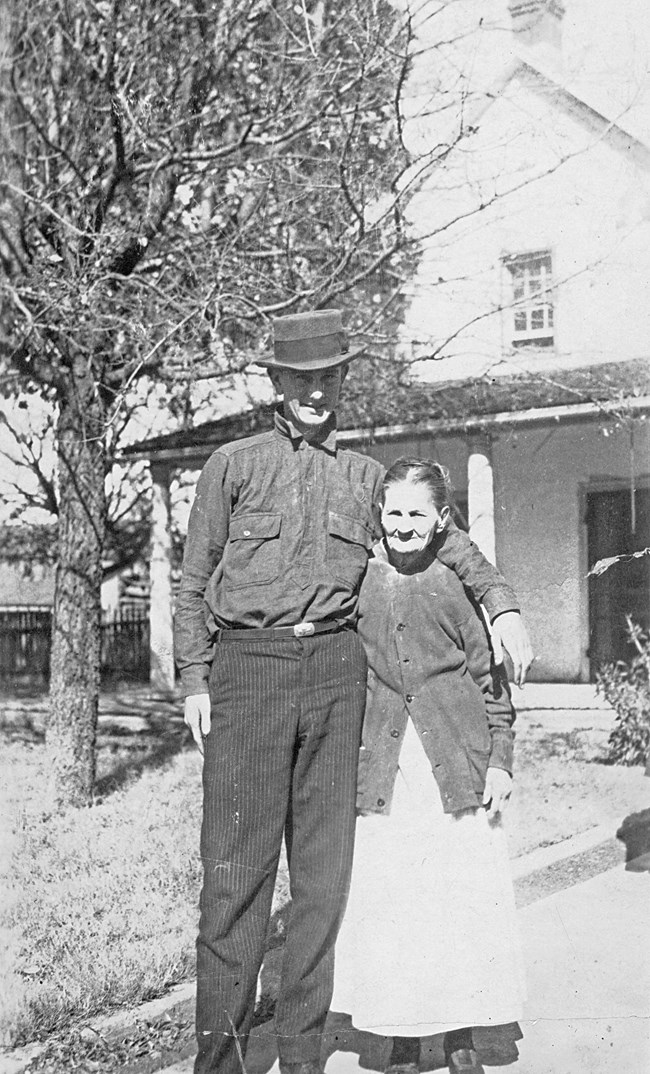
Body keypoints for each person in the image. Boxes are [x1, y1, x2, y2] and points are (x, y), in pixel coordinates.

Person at [174, 310, 532, 1074]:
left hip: (339, 677)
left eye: (328, 376)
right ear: (277, 382)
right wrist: (194, 678)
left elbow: (449, 539)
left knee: (324, 879)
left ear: (342, 381)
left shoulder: (368, 479)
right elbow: (192, 580)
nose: (315, 391)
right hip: (248, 673)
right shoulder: (232, 465)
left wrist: (501, 605)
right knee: (235, 879)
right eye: (300, 377)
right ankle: (224, 1063)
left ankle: (301, 1057)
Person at [332, 457, 525, 1074]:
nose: (405, 525)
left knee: (458, 903)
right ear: (379, 516)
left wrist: (501, 762)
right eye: (394, 513)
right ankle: (404, 1040)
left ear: (442, 518)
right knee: (396, 904)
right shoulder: (362, 581)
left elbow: (491, 682)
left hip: (457, 767)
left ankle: (461, 1035)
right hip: (388, 769)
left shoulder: (457, 581)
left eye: (419, 513)